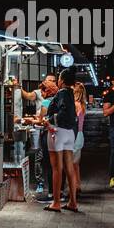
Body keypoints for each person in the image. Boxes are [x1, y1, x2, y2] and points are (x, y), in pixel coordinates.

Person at [45, 69, 80, 212]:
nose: (57, 81)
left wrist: (50, 122)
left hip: (57, 132)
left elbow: (62, 112)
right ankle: (73, 202)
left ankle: (56, 202)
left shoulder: (62, 93)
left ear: (63, 80)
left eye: (59, 78)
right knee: (69, 168)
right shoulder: (71, 93)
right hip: (69, 133)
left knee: (57, 168)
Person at [22, 73, 58, 199]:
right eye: (50, 80)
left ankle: (53, 192)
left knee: (50, 161)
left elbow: (42, 120)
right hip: (55, 133)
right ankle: (51, 189)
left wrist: (26, 120)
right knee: (46, 159)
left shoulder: (48, 101)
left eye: (54, 81)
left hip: (48, 132)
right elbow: (27, 95)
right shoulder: (54, 97)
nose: (52, 82)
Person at [71, 81, 87, 198]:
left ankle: (73, 186)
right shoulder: (82, 105)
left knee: (70, 164)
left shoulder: (75, 105)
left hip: (74, 134)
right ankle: (78, 185)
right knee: (76, 164)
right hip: (80, 135)